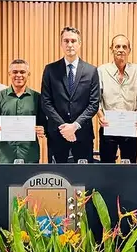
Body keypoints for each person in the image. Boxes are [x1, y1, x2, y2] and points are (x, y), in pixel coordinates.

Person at [41, 26, 100, 163]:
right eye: (66, 41)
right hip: (57, 134)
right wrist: (64, 127)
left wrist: (74, 126)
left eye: (73, 41)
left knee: (85, 179)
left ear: (79, 44)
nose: (69, 44)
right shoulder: (50, 70)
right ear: (61, 44)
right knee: (58, 179)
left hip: (82, 134)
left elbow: (93, 104)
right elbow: (46, 102)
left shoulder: (91, 71)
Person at [0, 59, 46, 164]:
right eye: (15, 72)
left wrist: (42, 129)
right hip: (5, 155)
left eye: (22, 72)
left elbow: (43, 123)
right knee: (6, 181)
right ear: (9, 74)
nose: (18, 75)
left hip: (30, 155)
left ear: (28, 74)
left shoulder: (37, 97)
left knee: (28, 181)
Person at [97, 35, 137, 163]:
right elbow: (97, 100)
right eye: (117, 46)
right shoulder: (102, 71)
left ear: (129, 50)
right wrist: (100, 116)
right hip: (108, 126)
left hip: (129, 127)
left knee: (130, 169)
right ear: (111, 49)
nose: (121, 49)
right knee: (106, 167)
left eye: (124, 47)